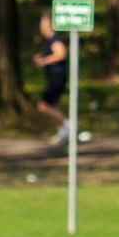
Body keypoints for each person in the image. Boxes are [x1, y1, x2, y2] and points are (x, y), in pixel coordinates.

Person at [32, 14, 71, 145]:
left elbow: (61, 54)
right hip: (54, 76)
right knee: (51, 105)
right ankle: (63, 131)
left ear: (50, 25)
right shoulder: (50, 40)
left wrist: (44, 61)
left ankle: (68, 127)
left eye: (43, 24)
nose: (41, 27)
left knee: (44, 105)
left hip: (57, 75)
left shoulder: (55, 39)